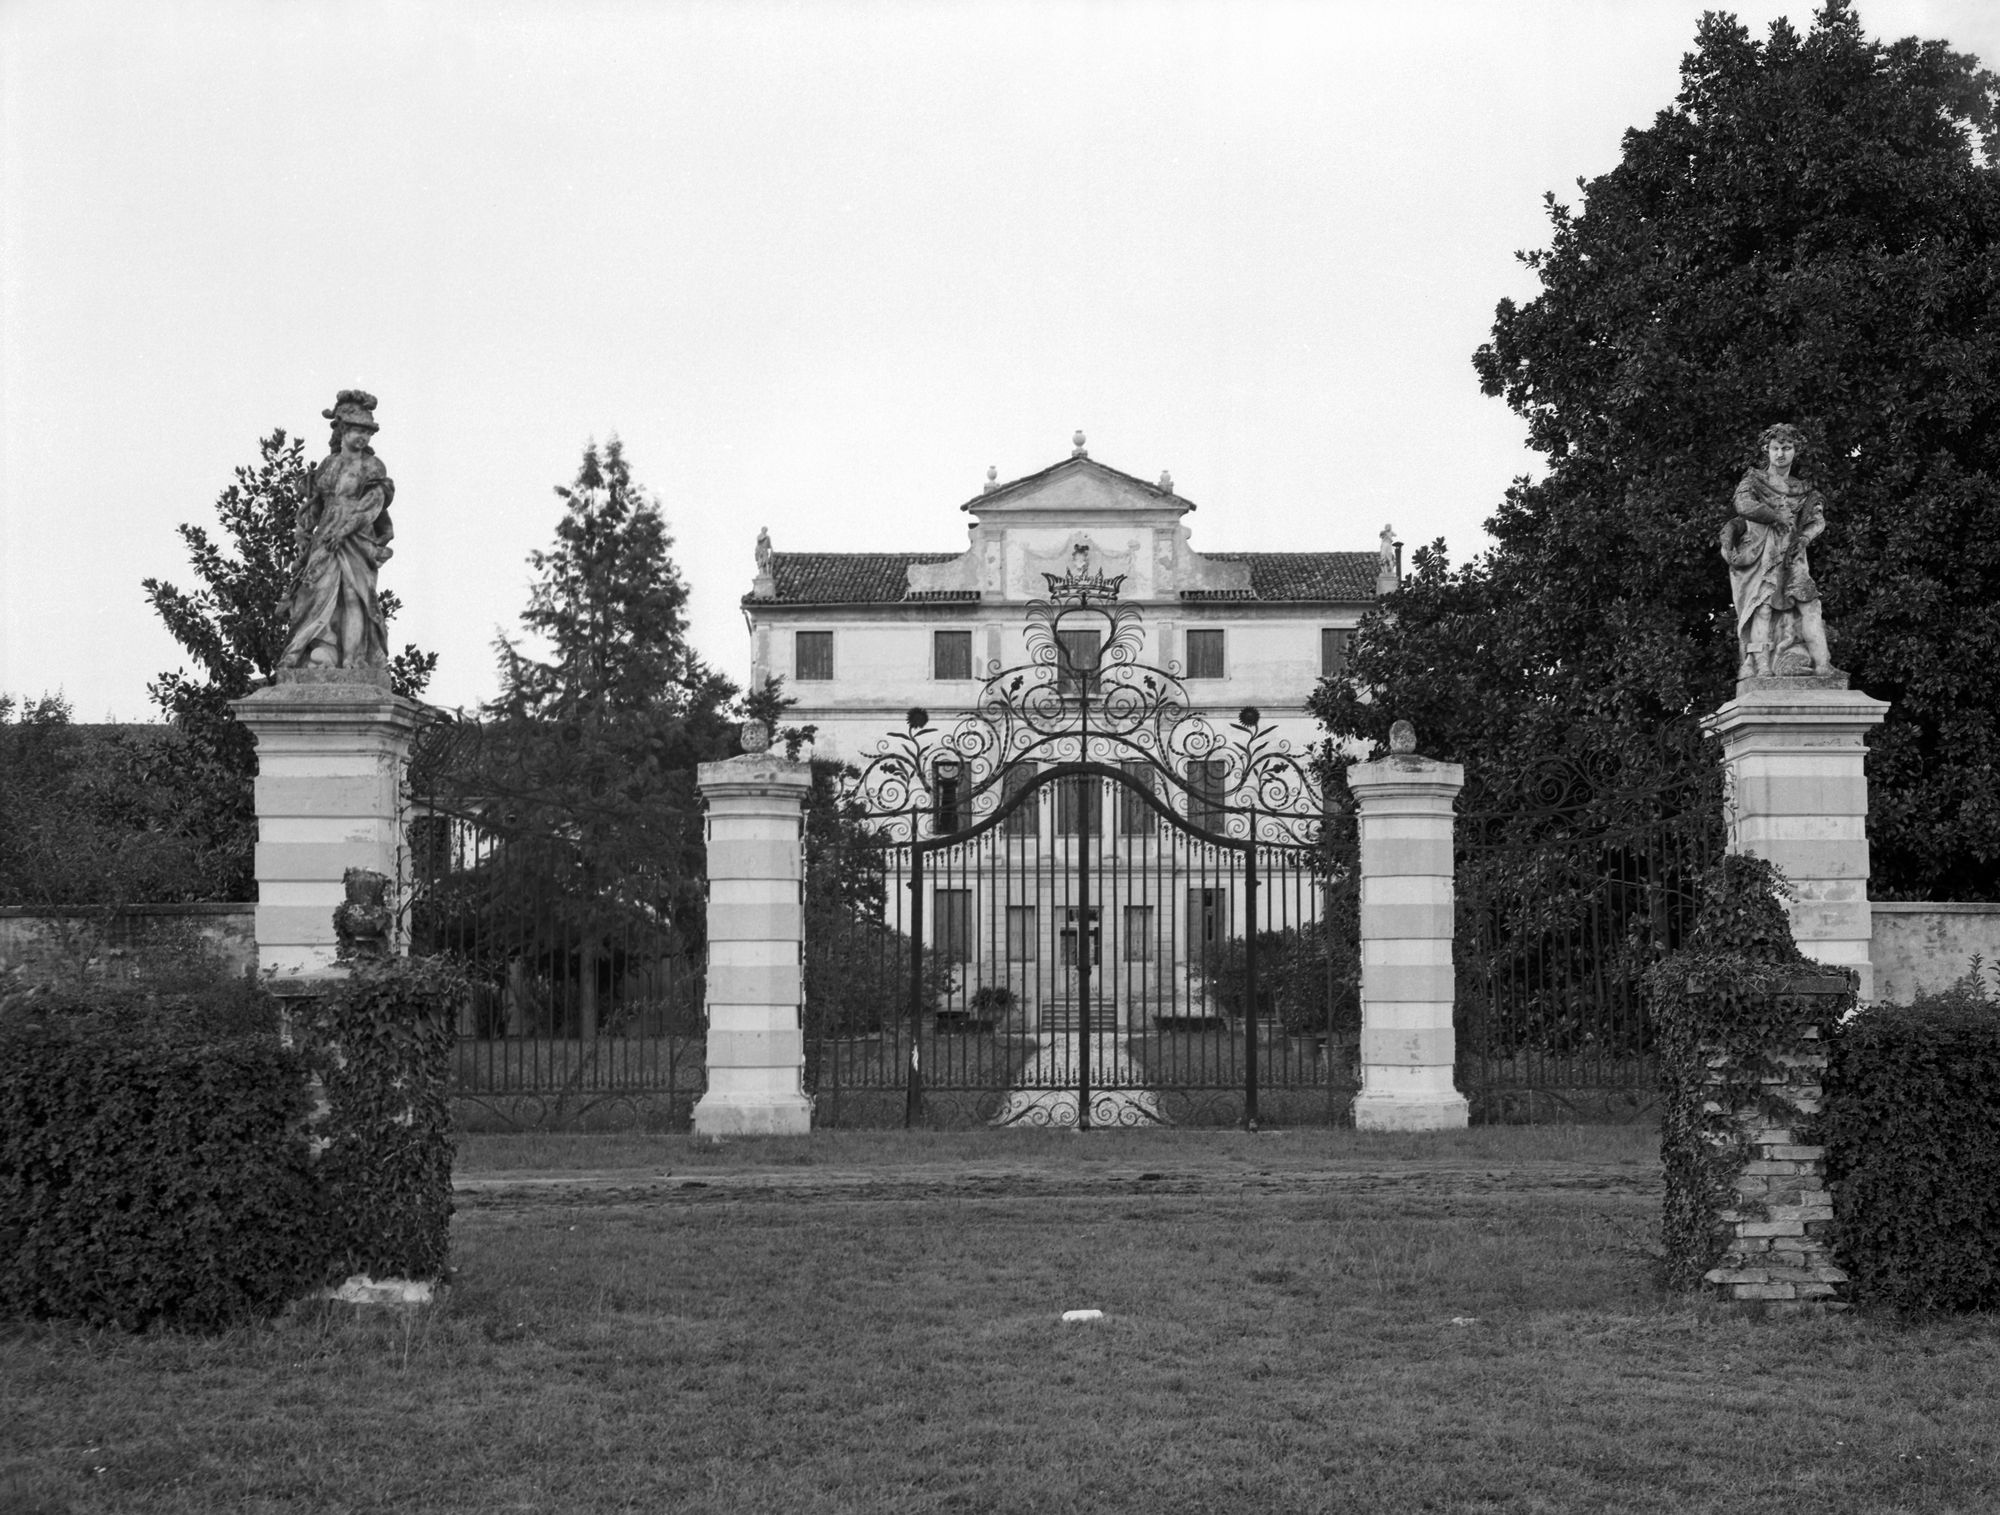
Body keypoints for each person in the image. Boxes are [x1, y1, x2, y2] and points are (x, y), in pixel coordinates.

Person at [280, 390, 394, 671]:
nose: (363, 437)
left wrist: (344, 530)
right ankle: (309, 650)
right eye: (357, 430)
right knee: (313, 593)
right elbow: (315, 506)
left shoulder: (372, 466)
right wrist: (304, 529)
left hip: (356, 539)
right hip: (326, 539)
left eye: (367, 432)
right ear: (343, 430)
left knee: (355, 598)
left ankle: (352, 660)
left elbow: (371, 505)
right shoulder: (329, 466)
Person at [1720, 423, 1836, 680]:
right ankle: (1761, 665)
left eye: (1787, 448)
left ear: (1795, 451)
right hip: (1761, 553)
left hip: (1793, 556)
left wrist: (1805, 537)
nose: (1781, 453)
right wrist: (1773, 516)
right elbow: (1743, 504)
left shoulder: (1803, 489)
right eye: (1775, 448)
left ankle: (1823, 666)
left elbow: (1817, 520)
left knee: (1810, 605)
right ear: (1767, 450)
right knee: (1762, 608)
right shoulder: (1754, 480)